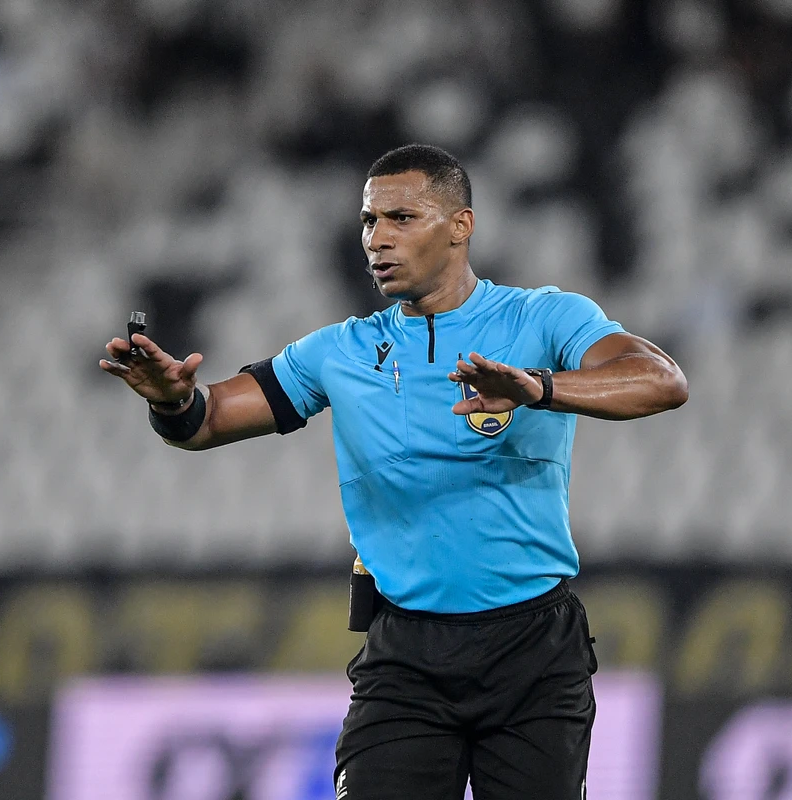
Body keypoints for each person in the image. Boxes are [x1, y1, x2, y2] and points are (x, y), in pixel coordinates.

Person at [99, 144, 688, 799]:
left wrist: (541, 388)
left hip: (534, 654)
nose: (376, 238)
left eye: (400, 218)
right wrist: (171, 397)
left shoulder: (543, 318)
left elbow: (661, 381)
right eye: (368, 221)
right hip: (406, 658)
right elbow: (206, 421)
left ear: (460, 226)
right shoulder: (339, 352)